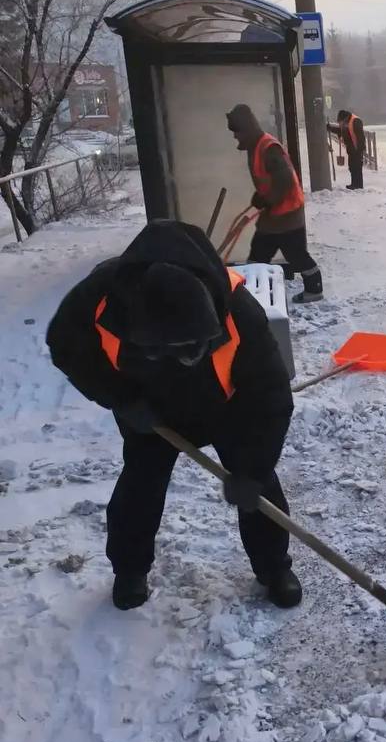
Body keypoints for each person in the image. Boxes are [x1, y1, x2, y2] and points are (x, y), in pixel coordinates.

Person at [46, 220, 303, 612]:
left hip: (226, 407)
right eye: (162, 351)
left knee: (261, 488)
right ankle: (129, 570)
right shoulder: (100, 299)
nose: (180, 361)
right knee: (140, 484)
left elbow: (271, 398)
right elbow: (66, 349)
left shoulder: (239, 312)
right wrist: (120, 398)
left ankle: (273, 567)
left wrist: (252, 469)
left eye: (190, 351)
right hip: (149, 410)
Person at [226, 103, 323, 303]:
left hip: (286, 213)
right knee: (261, 250)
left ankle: (314, 289)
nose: (235, 136)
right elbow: (268, 180)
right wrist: (260, 197)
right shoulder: (256, 146)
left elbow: (285, 180)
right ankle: (254, 290)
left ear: (246, 129)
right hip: (275, 214)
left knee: (293, 254)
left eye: (237, 132)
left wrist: (266, 199)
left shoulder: (268, 148)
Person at [328, 108, 365, 189]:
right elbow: (340, 131)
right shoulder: (347, 122)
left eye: (340, 121)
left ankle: (358, 186)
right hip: (351, 150)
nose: (340, 123)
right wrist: (330, 128)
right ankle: (354, 184)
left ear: (344, 118)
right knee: (352, 167)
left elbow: (361, 138)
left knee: (357, 168)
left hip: (357, 150)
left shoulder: (355, 121)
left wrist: (360, 150)